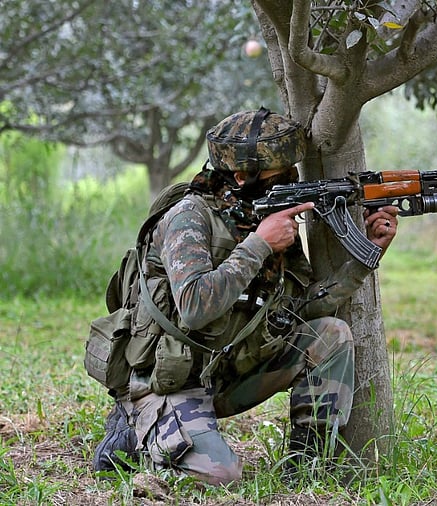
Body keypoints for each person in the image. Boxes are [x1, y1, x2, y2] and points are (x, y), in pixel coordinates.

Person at [91, 107, 400, 485]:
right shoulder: (189, 217)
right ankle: (133, 426)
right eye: (280, 177)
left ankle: (308, 468)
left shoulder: (259, 217)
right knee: (221, 475)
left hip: (225, 371)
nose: (290, 183)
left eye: (293, 174)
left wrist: (364, 257)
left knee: (331, 335)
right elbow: (192, 307)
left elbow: (300, 310)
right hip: (170, 378)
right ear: (241, 177)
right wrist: (258, 245)